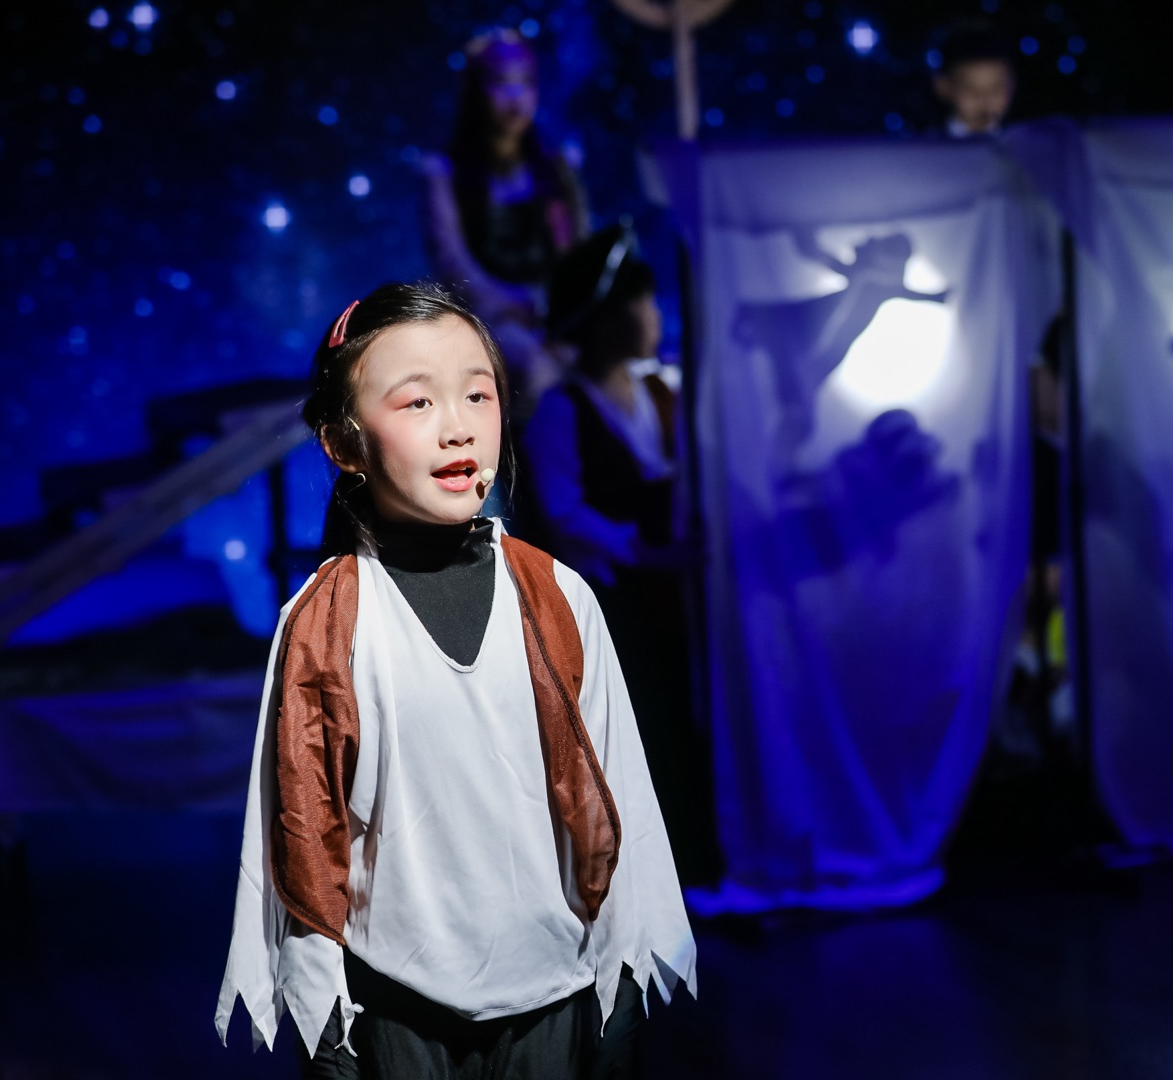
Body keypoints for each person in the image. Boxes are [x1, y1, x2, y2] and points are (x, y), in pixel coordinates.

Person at [215, 282, 695, 1078]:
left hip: (557, 1000)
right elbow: (301, 833)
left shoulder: (557, 597)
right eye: (417, 402)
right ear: (342, 443)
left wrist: (622, 993)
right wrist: (326, 1031)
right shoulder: (327, 624)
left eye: (478, 394)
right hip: (395, 1016)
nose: (458, 426)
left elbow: (620, 804)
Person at [519, 225, 721, 885]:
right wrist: (641, 553)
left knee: (695, 720)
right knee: (644, 728)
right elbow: (565, 512)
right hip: (614, 603)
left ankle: (706, 856)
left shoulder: (667, 389)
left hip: (682, 593)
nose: (654, 316)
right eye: (642, 303)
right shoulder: (562, 409)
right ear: (604, 319)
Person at [422, 28, 590, 410]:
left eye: (525, 82)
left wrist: (559, 310)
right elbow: (452, 262)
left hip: (558, 316)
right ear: (476, 91)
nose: (515, 96)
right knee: (535, 372)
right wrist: (513, 306)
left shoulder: (557, 171)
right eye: (500, 82)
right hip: (490, 321)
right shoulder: (445, 174)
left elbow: (579, 248)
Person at [931, 22, 1017, 137]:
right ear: (943, 86)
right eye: (972, 91)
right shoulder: (926, 144)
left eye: (995, 90)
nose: (985, 100)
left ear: (1011, 84)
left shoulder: (1026, 142)